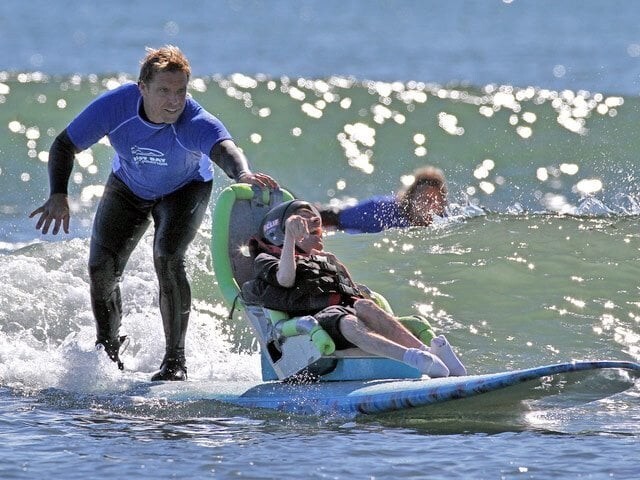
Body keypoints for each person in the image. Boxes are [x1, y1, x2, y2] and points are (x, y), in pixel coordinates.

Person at [29, 45, 277, 381]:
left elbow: (224, 149)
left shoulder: (194, 121)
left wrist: (243, 175)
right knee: (101, 267)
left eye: (180, 91)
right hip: (129, 186)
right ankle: (108, 352)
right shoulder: (116, 106)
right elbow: (64, 145)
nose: (174, 101)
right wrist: (58, 193)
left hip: (185, 189)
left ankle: (175, 362)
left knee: (168, 256)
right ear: (142, 88)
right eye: (164, 91)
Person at [242, 199, 466, 377]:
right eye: (304, 220)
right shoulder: (269, 258)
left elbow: (351, 293)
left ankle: (428, 353)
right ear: (280, 233)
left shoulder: (325, 259)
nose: (313, 221)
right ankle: (411, 357)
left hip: (343, 312)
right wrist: (291, 237)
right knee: (346, 320)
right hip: (313, 322)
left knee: (366, 305)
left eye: (315, 219)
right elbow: (285, 280)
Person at [318, 165, 448, 233]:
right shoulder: (382, 211)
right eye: (423, 198)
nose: (428, 205)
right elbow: (334, 217)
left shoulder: (444, 220)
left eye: (433, 201)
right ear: (411, 198)